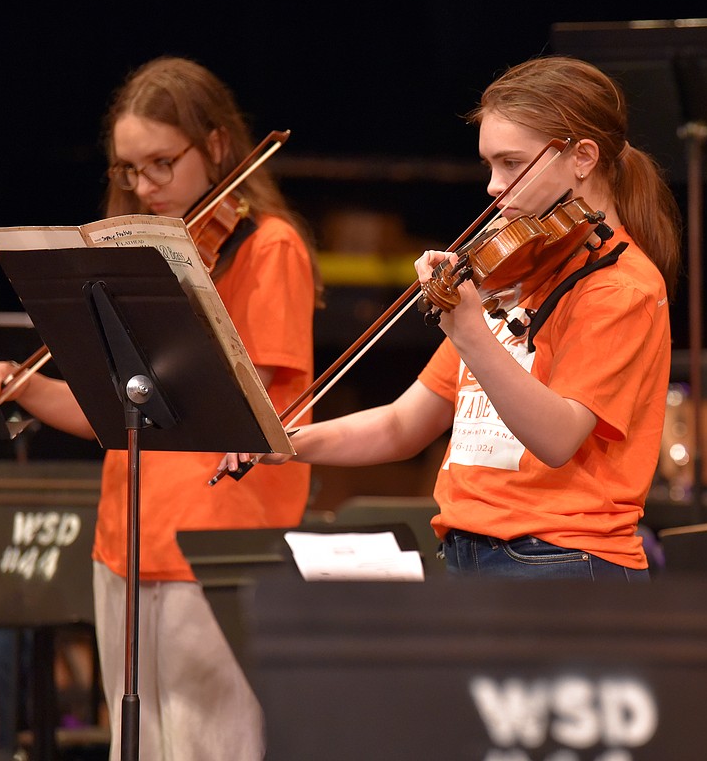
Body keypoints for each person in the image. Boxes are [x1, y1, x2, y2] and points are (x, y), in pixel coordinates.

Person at [221, 54, 682, 580]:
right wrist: (286, 442)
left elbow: (557, 439)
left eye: (512, 164)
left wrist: (469, 332)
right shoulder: (516, 275)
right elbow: (402, 424)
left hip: (562, 562)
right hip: (471, 555)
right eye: (489, 165)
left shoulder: (620, 288)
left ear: (583, 156)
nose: (492, 185)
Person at [0, 56, 321, 761]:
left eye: (163, 164)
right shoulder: (139, 251)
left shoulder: (269, 247)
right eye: (129, 171)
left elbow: (225, 406)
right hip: (127, 541)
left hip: (215, 542)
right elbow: (122, 416)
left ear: (219, 147)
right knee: (135, 749)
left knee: (211, 746)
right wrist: (26, 386)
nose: (145, 186)